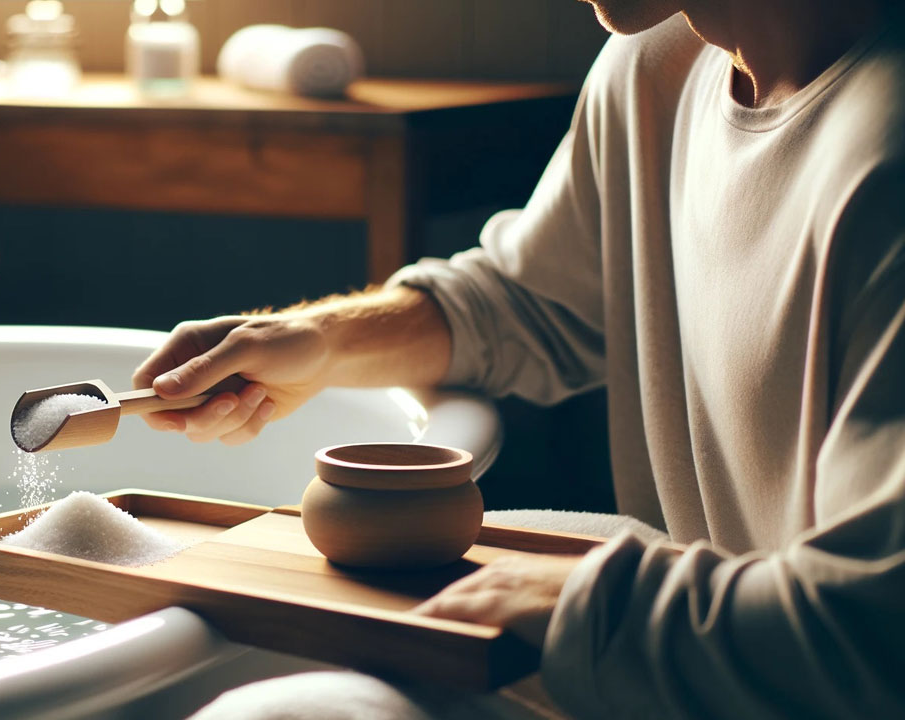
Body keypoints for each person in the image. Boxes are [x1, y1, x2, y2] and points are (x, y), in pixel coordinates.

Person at [133, 0, 905, 717]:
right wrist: (323, 342)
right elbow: (536, 302)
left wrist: (583, 602)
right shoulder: (657, 63)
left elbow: (874, 637)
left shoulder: (885, 154)